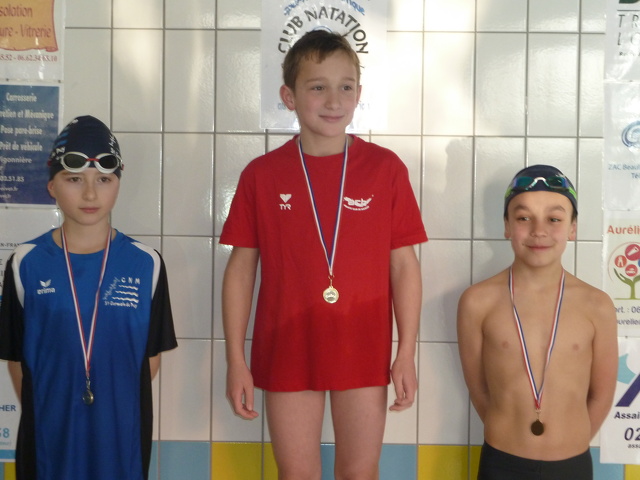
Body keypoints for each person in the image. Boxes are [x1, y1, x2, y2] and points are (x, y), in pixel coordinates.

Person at [220, 29, 427, 479]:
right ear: (289, 97)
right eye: (318, 87)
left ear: (359, 93)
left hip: (363, 347)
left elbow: (404, 265)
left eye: (345, 87)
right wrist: (236, 359)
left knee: (360, 472)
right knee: (296, 474)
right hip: (287, 347)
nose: (334, 101)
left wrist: (406, 351)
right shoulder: (262, 174)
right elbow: (241, 270)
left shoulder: (385, 169)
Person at [0, 115, 178, 480]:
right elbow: (17, 362)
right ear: (52, 185)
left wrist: (109, 406)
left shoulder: (146, 264)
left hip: (120, 439)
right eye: (74, 179)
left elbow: (150, 359)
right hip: (49, 437)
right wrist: (54, 406)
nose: (91, 194)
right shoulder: (25, 263)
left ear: (118, 184)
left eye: (104, 180)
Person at [457, 164, 618, 479]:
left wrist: (568, 443)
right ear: (507, 225)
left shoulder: (597, 305)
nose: (539, 231)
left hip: (571, 463)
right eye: (523, 218)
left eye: (554, 219)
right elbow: (478, 389)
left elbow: (601, 394)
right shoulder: (477, 302)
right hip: (502, 462)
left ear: (572, 228)